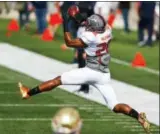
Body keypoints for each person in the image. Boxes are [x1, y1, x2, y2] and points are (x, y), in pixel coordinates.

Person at [19, 5, 150, 134]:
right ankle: (138, 116)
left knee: (57, 80)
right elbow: (86, 22)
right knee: (115, 106)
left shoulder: (90, 36)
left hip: (90, 71)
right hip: (104, 74)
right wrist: (75, 16)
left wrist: (66, 22)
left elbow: (69, 42)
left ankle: (28, 93)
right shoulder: (108, 30)